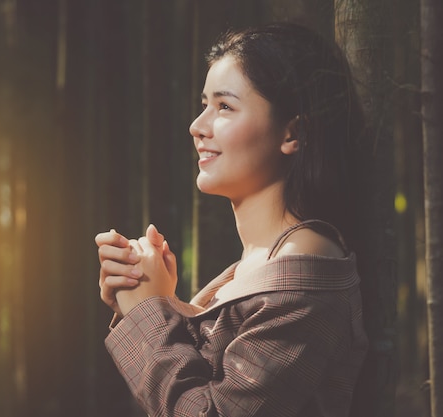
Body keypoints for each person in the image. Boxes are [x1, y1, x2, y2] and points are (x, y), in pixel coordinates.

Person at [95, 22, 368, 417]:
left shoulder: (306, 274)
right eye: (204, 104)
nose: (197, 126)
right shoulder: (261, 264)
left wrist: (148, 310)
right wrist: (154, 297)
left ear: (293, 132)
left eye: (224, 107)